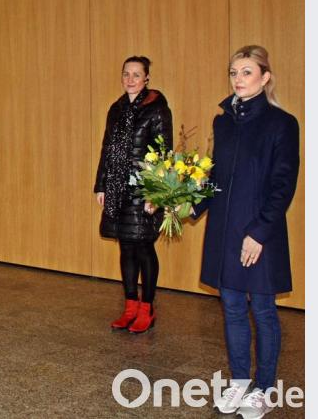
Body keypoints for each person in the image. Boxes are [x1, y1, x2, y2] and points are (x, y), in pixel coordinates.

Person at [195, 46, 299, 418]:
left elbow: (282, 184)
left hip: (259, 232)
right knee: (233, 308)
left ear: (265, 77)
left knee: (264, 311)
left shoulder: (281, 124)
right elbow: (215, 177)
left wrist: (259, 232)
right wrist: (185, 203)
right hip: (225, 229)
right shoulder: (223, 121)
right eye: (234, 72)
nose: (238, 79)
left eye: (247, 72)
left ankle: (264, 388)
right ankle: (240, 382)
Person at [94, 56, 173, 333]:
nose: (130, 79)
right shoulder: (115, 109)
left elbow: (165, 153)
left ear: (146, 78)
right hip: (117, 188)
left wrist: (157, 193)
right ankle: (129, 306)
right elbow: (107, 148)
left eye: (136, 75)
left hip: (145, 189)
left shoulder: (158, 109)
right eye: (126, 74)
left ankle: (147, 308)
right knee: (125, 246)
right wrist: (101, 185)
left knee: (143, 246)